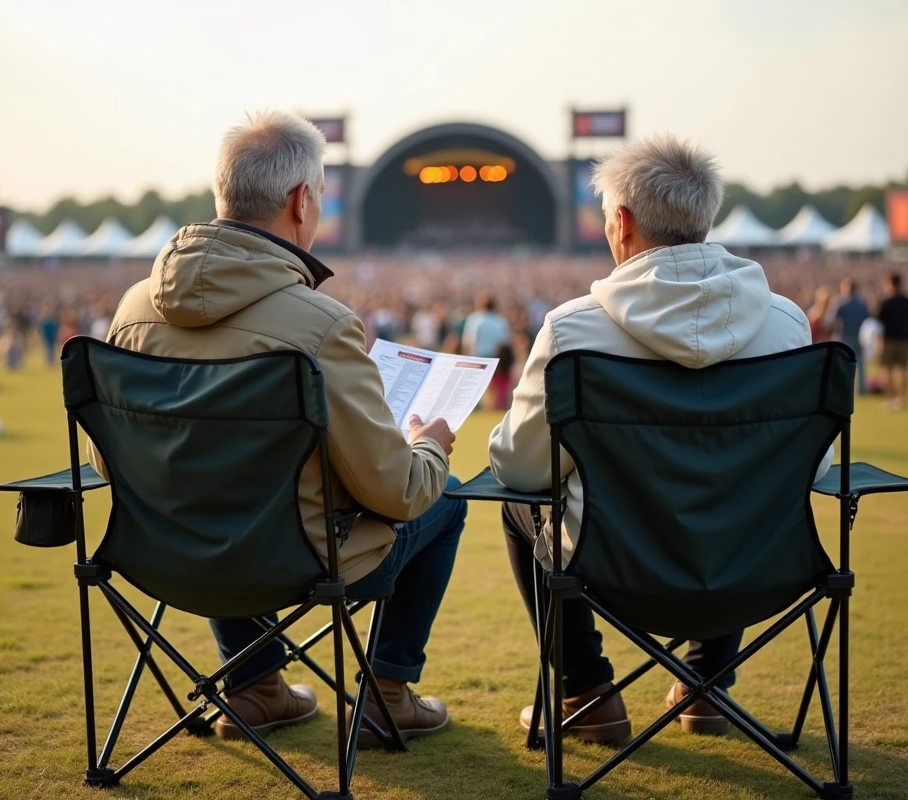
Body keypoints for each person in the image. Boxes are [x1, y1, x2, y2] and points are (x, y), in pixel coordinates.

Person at [88, 111, 466, 746]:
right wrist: (427, 445)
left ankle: (256, 686)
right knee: (445, 497)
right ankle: (388, 695)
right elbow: (397, 493)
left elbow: (115, 460)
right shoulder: (320, 324)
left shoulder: (131, 311)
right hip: (299, 559)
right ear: (301, 201)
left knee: (217, 489)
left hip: (159, 549)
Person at [488, 134, 833, 742]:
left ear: (621, 222)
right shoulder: (785, 323)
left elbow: (520, 469)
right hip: (753, 567)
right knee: (742, 488)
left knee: (520, 504)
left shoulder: (574, 331)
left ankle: (586, 691)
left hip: (612, 569)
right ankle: (706, 684)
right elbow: (816, 464)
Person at [877, 273, 908, 410]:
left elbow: (879, 324)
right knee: (903, 370)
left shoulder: (886, 303)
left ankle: (891, 399)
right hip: (905, 339)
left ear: (891, 284)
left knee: (887, 370)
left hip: (889, 340)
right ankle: (902, 399)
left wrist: (879, 343)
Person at [829, 279, 870, 394]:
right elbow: (868, 320)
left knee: (842, 364)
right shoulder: (862, 304)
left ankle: (843, 389)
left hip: (844, 337)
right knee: (860, 363)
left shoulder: (841, 303)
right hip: (860, 337)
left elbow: (831, 320)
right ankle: (862, 389)